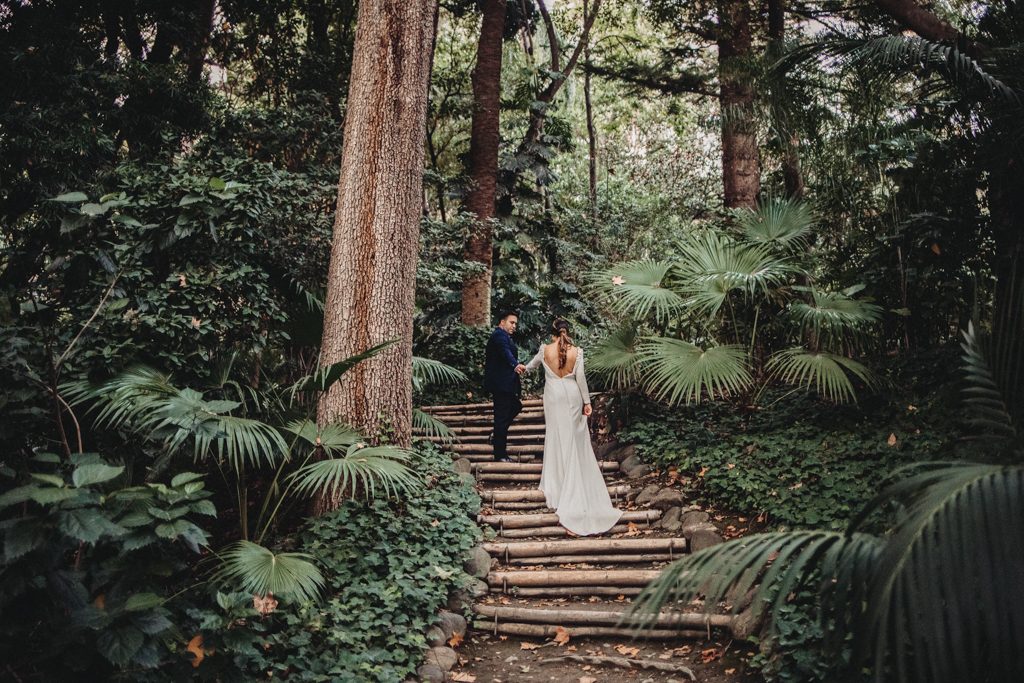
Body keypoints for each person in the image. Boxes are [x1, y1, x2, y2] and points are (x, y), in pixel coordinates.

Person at [520, 319, 622, 536]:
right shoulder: (577, 351)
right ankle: (575, 478)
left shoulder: (545, 349)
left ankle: (558, 482)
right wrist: (587, 402)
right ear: (568, 331)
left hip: (554, 397)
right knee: (575, 440)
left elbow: (532, 365)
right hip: (573, 395)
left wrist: (523, 368)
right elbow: (581, 378)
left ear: (552, 332)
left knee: (557, 436)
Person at [483, 310, 526, 463]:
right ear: (502, 322)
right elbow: (505, 352)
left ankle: (497, 435)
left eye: (515, 324)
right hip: (501, 384)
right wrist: (515, 365)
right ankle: (500, 455)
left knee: (516, 407)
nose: (514, 326)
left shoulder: (504, 336)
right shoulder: (499, 335)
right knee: (501, 418)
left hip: (506, 384)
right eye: (511, 322)